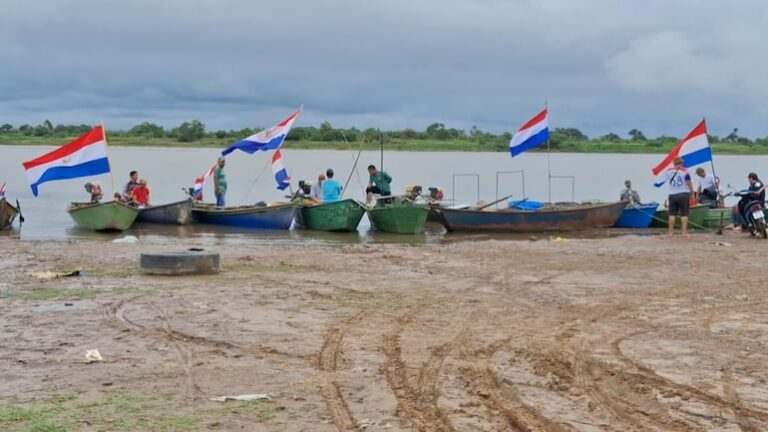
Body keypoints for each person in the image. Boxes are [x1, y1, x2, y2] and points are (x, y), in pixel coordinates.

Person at [658, 156, 694, 237]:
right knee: (684, 214)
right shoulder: (685, 171)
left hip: (672, 194)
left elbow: (663, 179)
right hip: (683, 193)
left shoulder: (668, 171)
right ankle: (684, 233)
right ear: (681, 163)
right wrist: (692, 193)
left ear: (674, 163)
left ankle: (671, 233)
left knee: (672, 214)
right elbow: (689, 183)